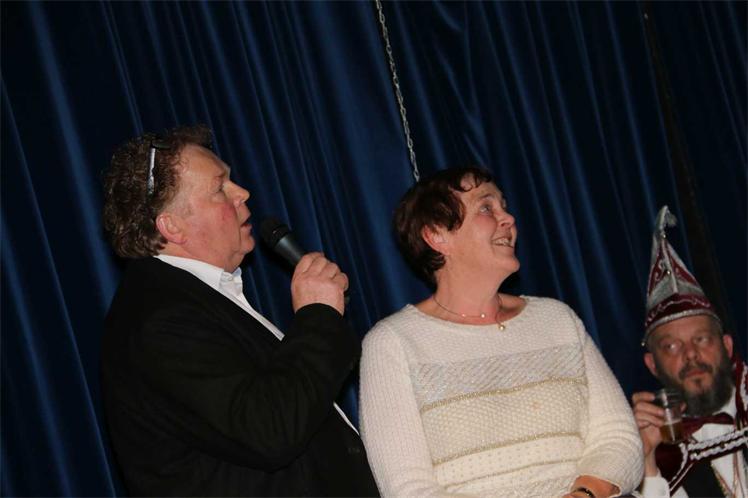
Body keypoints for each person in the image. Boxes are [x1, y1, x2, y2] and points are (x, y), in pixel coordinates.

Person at [101, 125, 378, 496]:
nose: (242, 193)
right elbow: (270, 430)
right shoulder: (159, 321)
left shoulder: (192, 300)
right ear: (173, 227)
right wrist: (317, 316)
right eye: (220, 187)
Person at [359, 166, 643, 497]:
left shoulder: (557, 320)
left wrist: (584, 495)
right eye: (486, 207)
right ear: (437, 235)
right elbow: (409, 489)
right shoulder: (394, 344)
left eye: (504, 206)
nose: (508, 218)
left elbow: (619, 437)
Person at [632, 206, 747, 498]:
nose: (691, 354)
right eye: (672, 346)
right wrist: (646, 463)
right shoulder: (662, 457)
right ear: (652, 365)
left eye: (702, 339)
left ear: (727, 346)